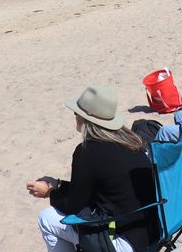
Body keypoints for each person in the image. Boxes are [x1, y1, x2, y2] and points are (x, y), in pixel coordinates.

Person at [27, 86, 158, 252]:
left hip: (121, 242)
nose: (75, 115)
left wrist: (49, 193)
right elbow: (99, 190)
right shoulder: (132, 143)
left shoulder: (87, 152)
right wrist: (58, 184)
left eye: (77, 112)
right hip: (151, 234)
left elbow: (74, 206)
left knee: (46, 218)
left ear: (86, 118)